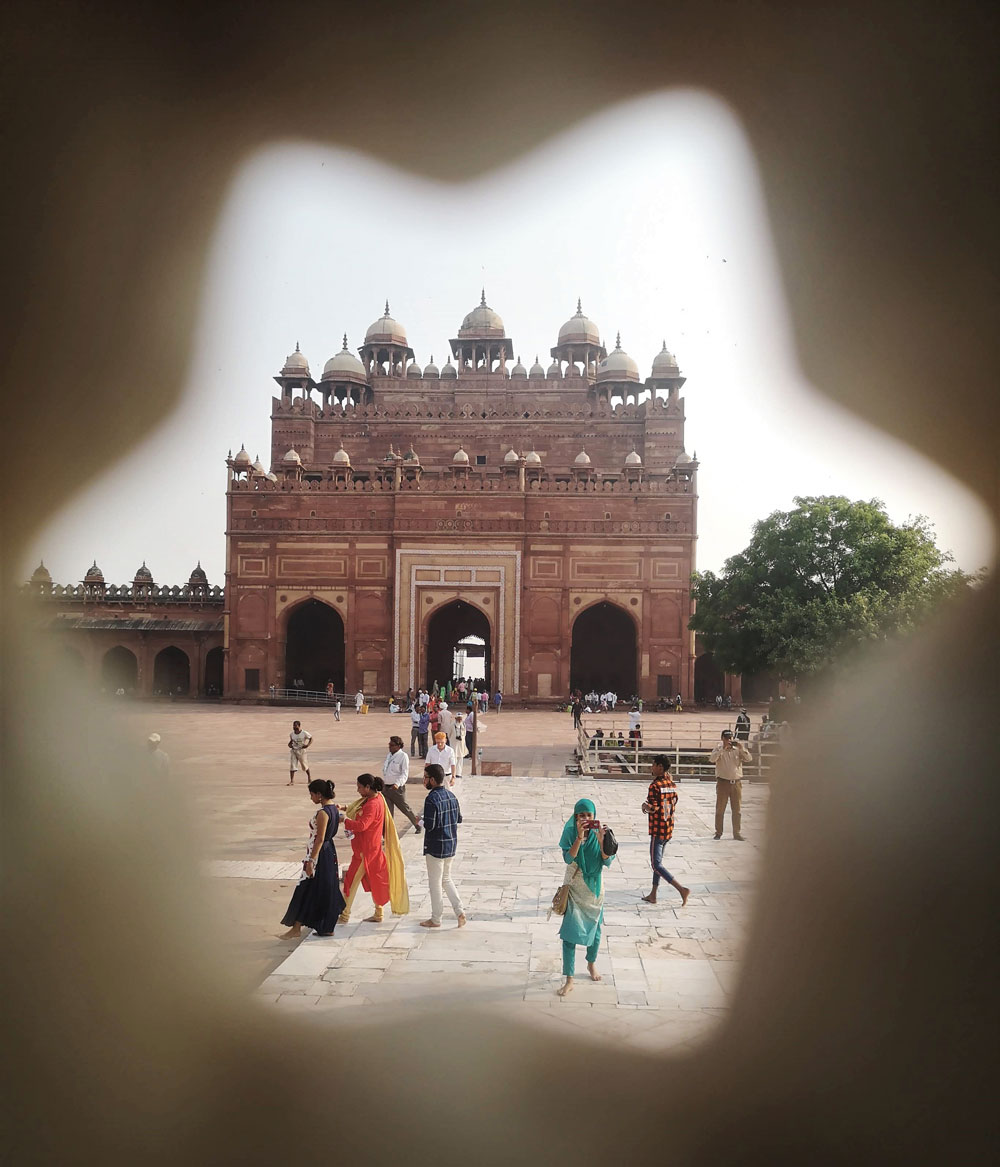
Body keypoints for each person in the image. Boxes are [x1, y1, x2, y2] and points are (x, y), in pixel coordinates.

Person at [556, 798, 613, 997]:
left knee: (595, 933)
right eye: (582, 815)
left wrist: (601, 842)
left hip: (595, 889)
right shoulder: (570, 832)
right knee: (569, 935)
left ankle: (591, 964)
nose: (586, 818)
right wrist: (579, 838)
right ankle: (569, 979)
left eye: (589, 815)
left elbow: (608, 862)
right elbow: (567, 858)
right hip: (575, 889)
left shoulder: (602, 833)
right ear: (576, 816)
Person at [279, 779, 346, 938]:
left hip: (320, 854)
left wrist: (311, 861)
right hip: (329, 853)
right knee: (320, 889)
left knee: (306, 889)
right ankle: (309, 926)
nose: (311, 798)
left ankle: (297, 928)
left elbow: (320, 839)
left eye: (312, 795)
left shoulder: (323, 813)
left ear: (319, 794)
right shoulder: (334, 809)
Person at [338, 774, 408, 924]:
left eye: (359, 787)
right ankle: (379, 913)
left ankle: (344, 915)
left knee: (350, 882)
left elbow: (363, 825)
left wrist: (346, 820)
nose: (358, 790)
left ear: (368, 788)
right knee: (375, 880)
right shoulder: (376, 798)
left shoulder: (372, 804)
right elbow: (358, 807)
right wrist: (345, 807)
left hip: (365, 852)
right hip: (372, 849)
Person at [418, 762, 467, 929]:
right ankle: (459, 911)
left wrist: (421, 820)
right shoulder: (451, 796)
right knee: (446, 879)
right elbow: (459, 818)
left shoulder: (431, 799)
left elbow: (430, 825)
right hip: (450, 844)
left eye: (425, 778)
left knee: (435, 883)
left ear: (432, 779)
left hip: (435, 846)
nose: (424, 781)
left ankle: (436, 918)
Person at [640, 756, 690, 906]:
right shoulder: (671, 784)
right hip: (668, 828)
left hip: (658, 829)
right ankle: (653, 894)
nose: (651, 768)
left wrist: (644, 806)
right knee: (659, 863)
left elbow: (653, 807)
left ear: (660, 767)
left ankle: (681, 889)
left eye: (653, 765)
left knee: (656, 865)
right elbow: (675, 800)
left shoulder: (654, 786)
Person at [710, 729, 752, 840]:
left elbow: (748, 759)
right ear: (722, 738)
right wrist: (722, 749)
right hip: (723, 782)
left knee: (737, 810)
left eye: (730, 738)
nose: (729, 740)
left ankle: (737, 833)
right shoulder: (719, 749)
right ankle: (718, 832)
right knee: (720, 809)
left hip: (736, 783)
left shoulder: (737, 750)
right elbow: (712, 759)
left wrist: (741, 747)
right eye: (726, 738)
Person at [381, 735, 421, 832]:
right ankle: (388, 834)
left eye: (392, 745)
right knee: (387, 812)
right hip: (386, 787)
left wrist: (397, 784)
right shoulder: (389, 755)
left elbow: (404, 773)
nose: (390, 747)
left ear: (398, 746)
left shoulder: (403, 756)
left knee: (405, 808)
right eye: (389, 745)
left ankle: (417, 823)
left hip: (396, 788)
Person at [287, 720, 312, 785]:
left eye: (295, 725)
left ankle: (309, 778)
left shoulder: (304, 733)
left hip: (301, 751)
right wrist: (289, 745)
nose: (294, 727)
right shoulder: (292, 734)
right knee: (292, 765)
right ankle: (292, 781)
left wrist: (307, 745)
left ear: (299, 726)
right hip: (294, 751)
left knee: (304, 765)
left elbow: (311, 738)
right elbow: (291, 742)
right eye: (293, 725)